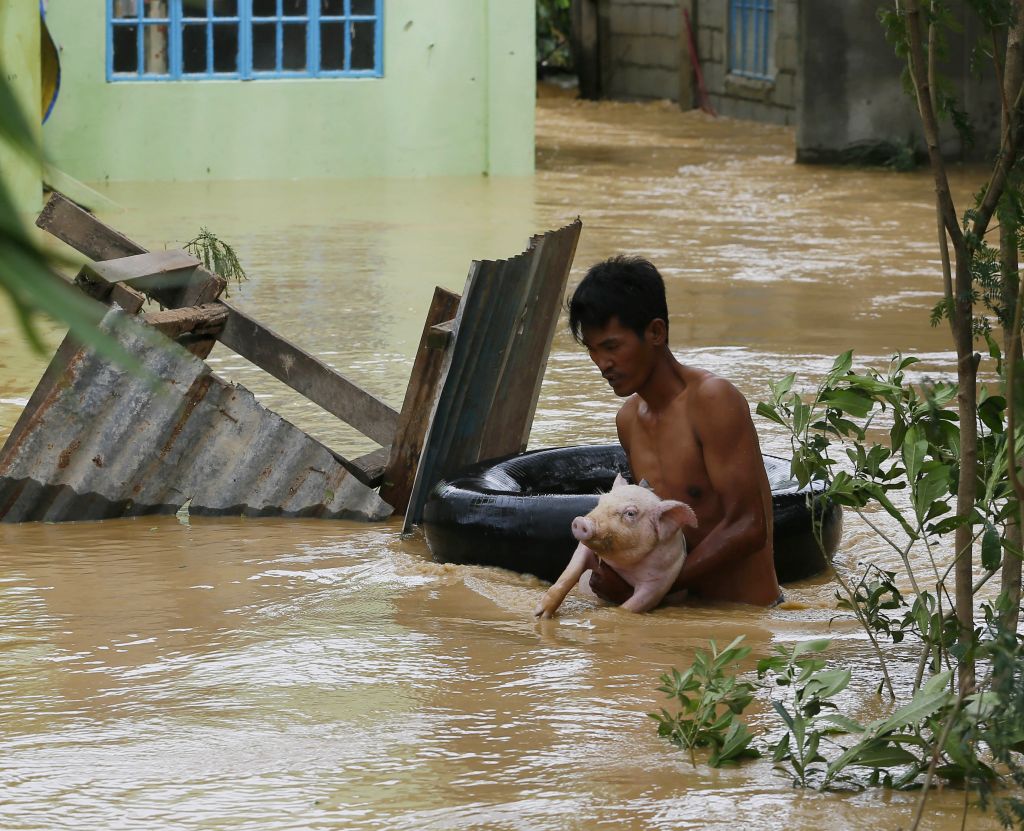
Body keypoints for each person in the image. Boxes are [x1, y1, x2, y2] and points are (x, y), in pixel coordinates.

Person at [567, 255, 782, 607]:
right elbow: (653, 533)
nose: (602, 363)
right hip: (674, 611)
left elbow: (748, 526)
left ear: (655, 332)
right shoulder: (628, 420)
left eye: (612, 347)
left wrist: (653, 588)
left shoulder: (713, 400)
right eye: (593, 350)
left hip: (744, 620)